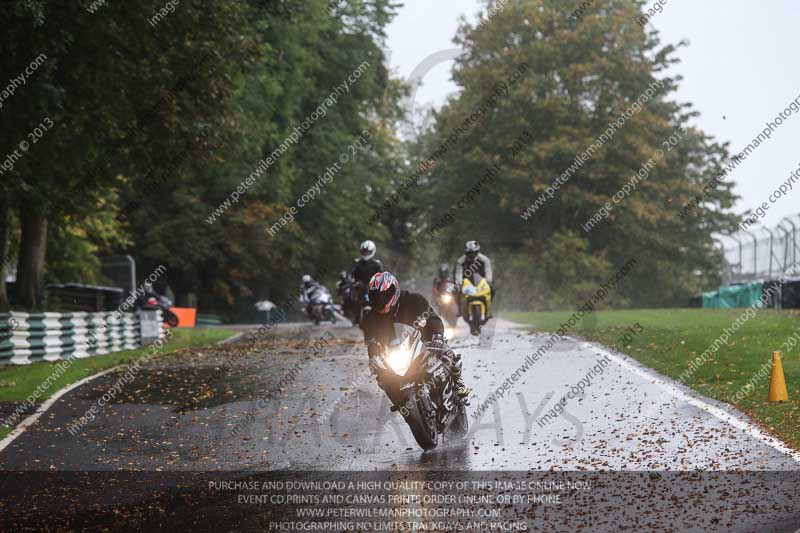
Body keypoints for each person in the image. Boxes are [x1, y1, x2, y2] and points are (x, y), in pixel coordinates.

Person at [361, 271, 468, 397]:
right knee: (382, 378)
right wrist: (374, 356)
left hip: (425, 343)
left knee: (446, 352)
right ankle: (402, 402)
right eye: (376, 297)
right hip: (395, 352)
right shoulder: (371, 316)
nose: (380, 300)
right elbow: (371, 340)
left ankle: (458, 382)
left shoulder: (413, 300)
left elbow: (433, 319)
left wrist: (437, 337)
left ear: (393, 290)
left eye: (383, 295)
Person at [454, 240, 494, 317]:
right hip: (466, 281)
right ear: (466, 253)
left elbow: (488, 270)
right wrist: (459, 283)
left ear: (477, 252)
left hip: (482, 280)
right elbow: (458, 273)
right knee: (455, 290)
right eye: (469, 253)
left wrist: (489, 281)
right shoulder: (460, 261)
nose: (471, 255)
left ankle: (489, 309)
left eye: (473, 253)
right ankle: (459, 309)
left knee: (492, 289)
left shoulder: (484, 259)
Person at [350, 240, 383, 324]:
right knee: (353, 299)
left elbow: (381, 277)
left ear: (372, 251)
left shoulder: (377, 264)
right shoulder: (357, 262)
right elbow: (352, 274)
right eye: (364, 252)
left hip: (372, 287)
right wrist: (353, 282)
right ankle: (355, 319)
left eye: (368, 252)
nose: (366, 254)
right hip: (359, 287)